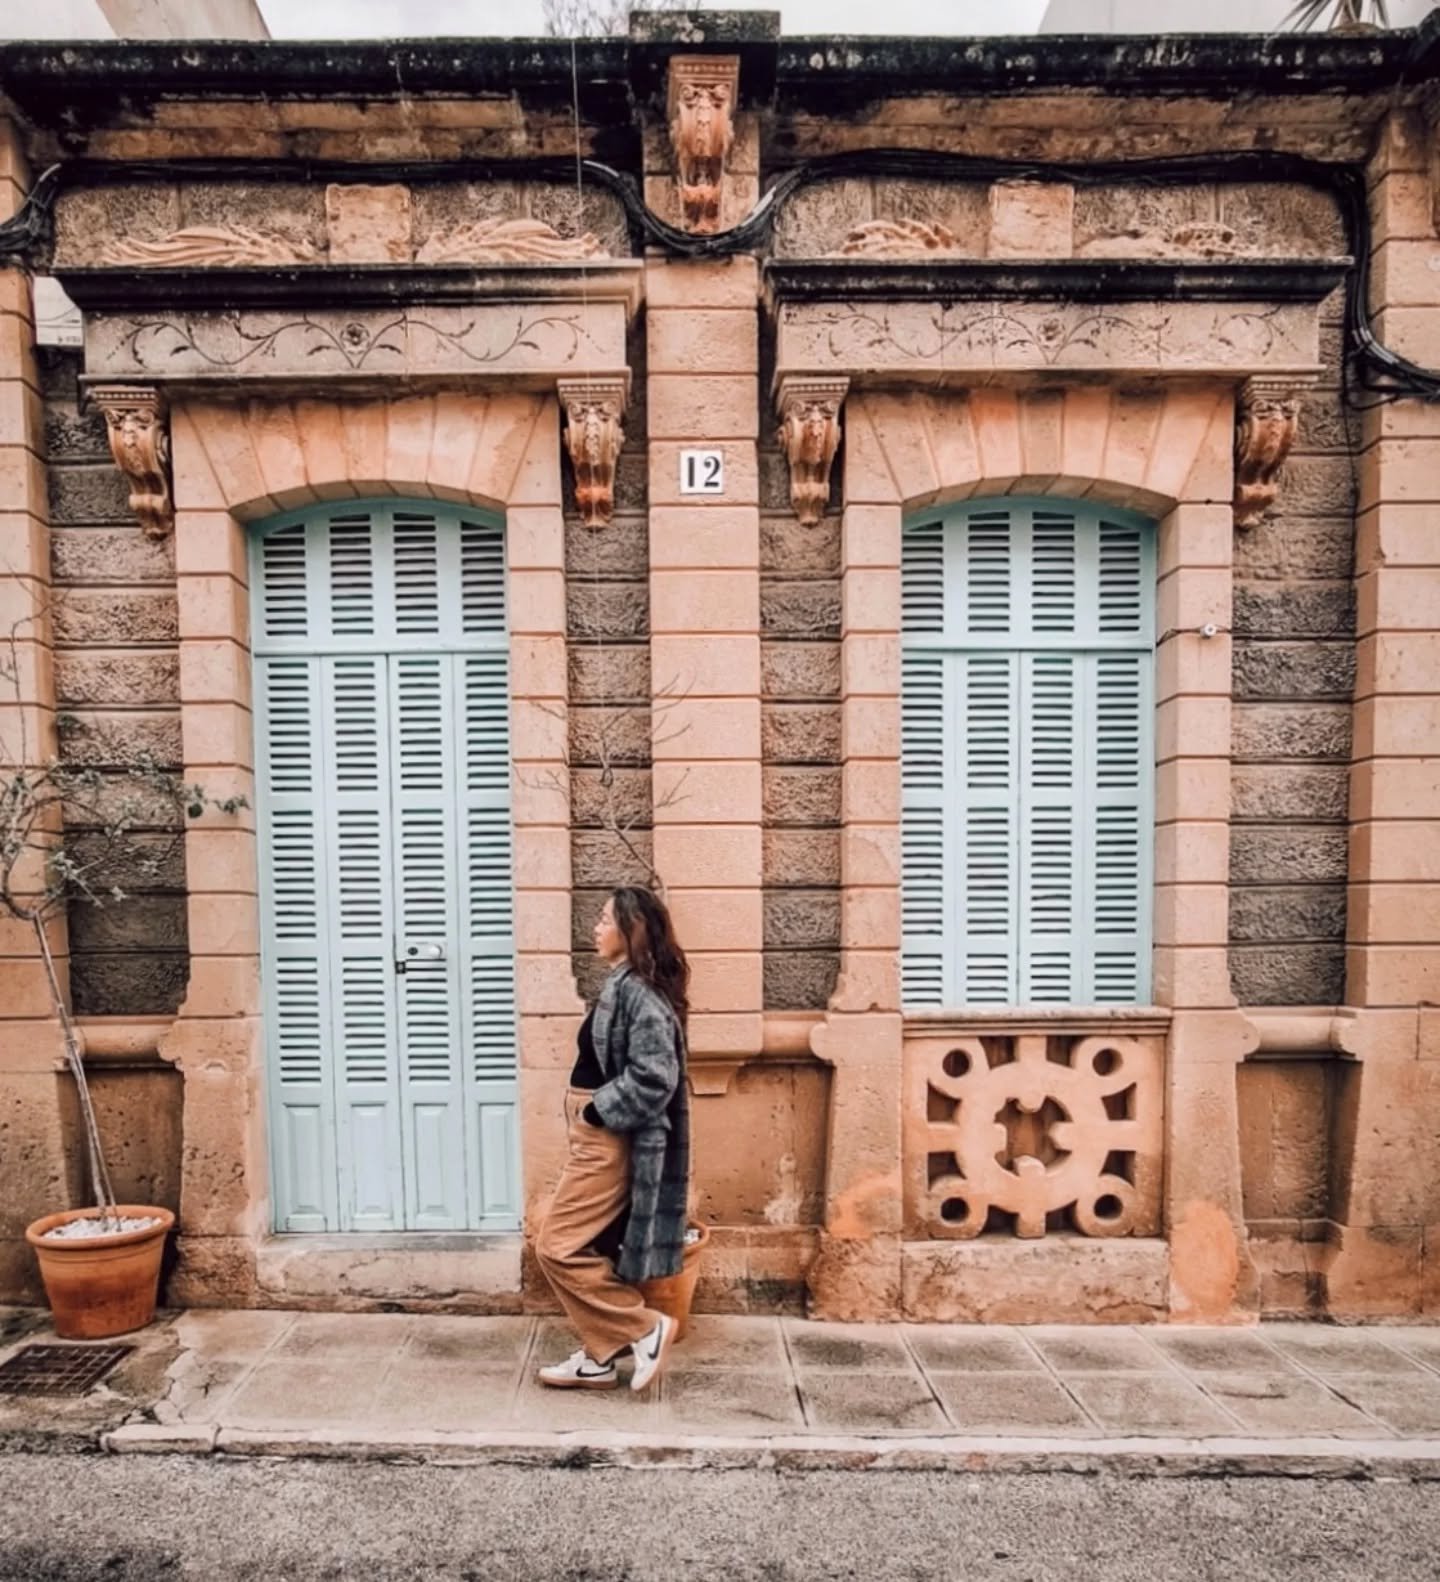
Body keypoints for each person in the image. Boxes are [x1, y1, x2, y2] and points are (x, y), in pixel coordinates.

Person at [535, 885, 692, 1393]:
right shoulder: (623, 984)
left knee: (557, 1246)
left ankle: (642, 1328)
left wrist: (599, 1111)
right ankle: (599, 1358)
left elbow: (655, 1075)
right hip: (597, 1137)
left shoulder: (639, 994)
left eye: (605, 920)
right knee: (592, 1245)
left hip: (608, 1141)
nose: (596, 929)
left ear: (631, 931)